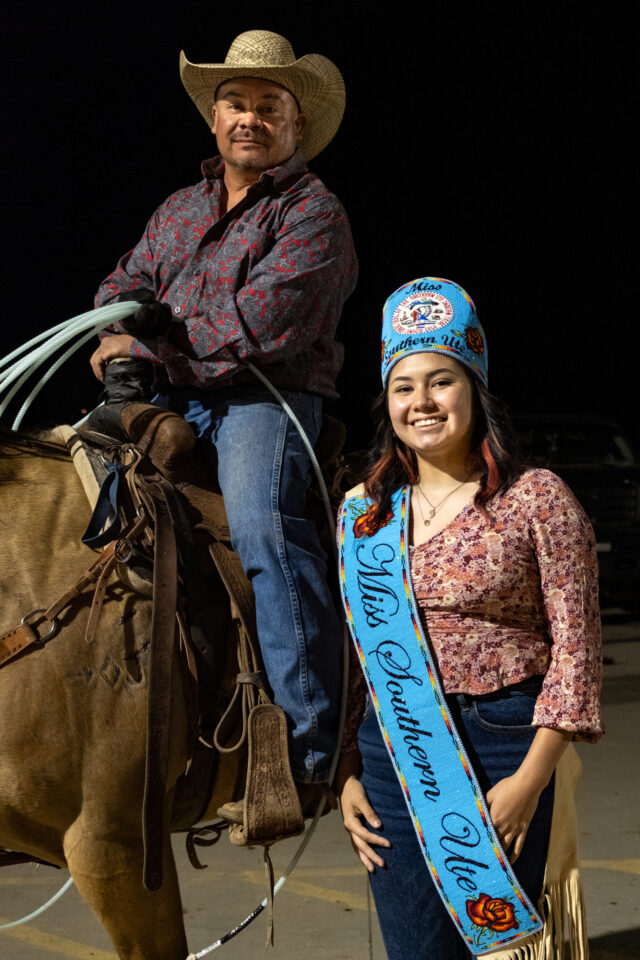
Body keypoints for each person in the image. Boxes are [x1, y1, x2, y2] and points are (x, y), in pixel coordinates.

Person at [88, 30, 358, 791]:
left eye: (268, 106)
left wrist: (147, 338)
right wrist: (116, 329)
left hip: (264, 398)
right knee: (85, 495)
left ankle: (312, 740)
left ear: (295, 124)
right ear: (214, 119)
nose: (249, 118)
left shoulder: (314, 214)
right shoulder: (179, 209)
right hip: (175, 393)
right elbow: (118, 284)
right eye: (235, 103)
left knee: (261, 527)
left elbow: (263, 326)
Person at [337, 277, 602, 958]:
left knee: (501, 949)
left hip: (506, 747)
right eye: (404, 386)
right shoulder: (362, 512)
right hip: (391, 756)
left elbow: (576, 650)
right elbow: (351, 655)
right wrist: (344, 774)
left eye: (441, 381)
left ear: (473, 389)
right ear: (387, 401)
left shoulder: (534, 498)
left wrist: (532, 779)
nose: (421, 402)